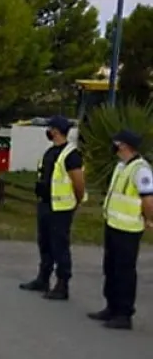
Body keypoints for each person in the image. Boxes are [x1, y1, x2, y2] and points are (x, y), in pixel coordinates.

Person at [87, 130, 153, 330]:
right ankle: (111, 307)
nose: (113, 145)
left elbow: (148, 199)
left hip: (129, 228)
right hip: (114, 225)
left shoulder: (140, 170)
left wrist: (149, 219)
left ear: (124, 145)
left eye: (116, 142)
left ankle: (124, 314)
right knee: (111, 268)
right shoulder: (121, 166)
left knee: (124, 271)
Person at [19, 115, 86, 300]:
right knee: (45, 243)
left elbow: (78, 182)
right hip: (46, 204)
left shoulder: (71, 155)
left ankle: (62, 284)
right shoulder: (51, 152)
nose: (47, 131)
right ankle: (43, 279)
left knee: (59, 246)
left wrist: (77, 201)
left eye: (50, 128)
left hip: (61, 208)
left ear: (56, 130)